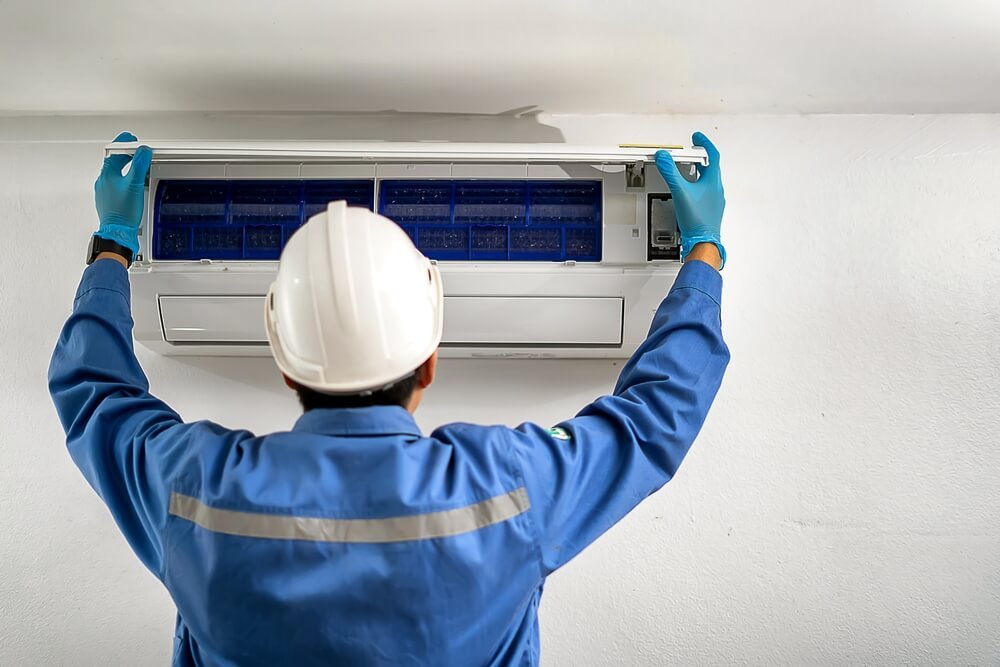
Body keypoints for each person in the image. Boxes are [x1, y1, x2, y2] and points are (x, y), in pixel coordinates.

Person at [48, 131, 730, 666]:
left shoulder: (194, 490)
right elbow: (651, 421)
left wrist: (112, 243)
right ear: (428, 362)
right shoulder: (508, 488)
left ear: (287, 367)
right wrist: (702, 253)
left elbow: (94, 394)